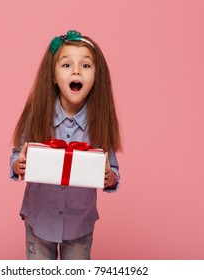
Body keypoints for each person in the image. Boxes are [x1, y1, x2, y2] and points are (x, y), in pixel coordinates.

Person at [10, 30, 121, 260]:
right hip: (39, 221)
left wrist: (109, 177)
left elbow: (113, 172)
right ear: (53, 75)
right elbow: (15, 155)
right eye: (67, 65)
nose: (77, 71)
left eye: (86, 66)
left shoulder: (100, 122)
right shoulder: (36, 115)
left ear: (97, 76)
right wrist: (17, 165)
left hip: (79, 226)